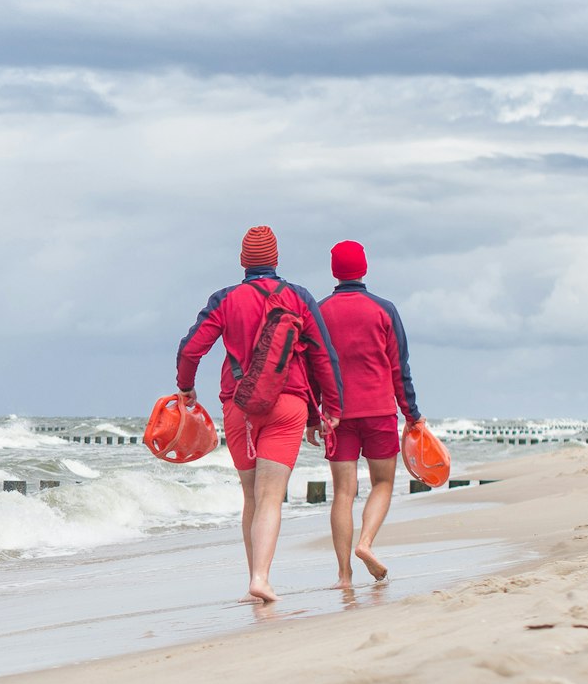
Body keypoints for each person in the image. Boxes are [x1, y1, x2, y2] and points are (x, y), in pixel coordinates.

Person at [175, 226, 343, 603]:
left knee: (251, 495)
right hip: (288, 405)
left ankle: (253, 578)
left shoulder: (225, 299)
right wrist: (330, 407)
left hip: (239, 406)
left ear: (243, 261)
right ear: (275, 259)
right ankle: (262, 578)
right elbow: (322, 356)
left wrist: (186, 387)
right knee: (271, 496)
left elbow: (190, 350)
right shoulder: (299, 297)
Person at [318, 240, 423, 584]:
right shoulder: (384, 309)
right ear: (363, 268)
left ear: (335, 271)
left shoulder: (319, 312)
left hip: (337, 415)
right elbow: (399, 368)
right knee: (382, 483)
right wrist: (412, 414)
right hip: (379, 411)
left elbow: (313, 368)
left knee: (343, 494)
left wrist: (312, 413)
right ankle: (365, 544)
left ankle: (344, 574)